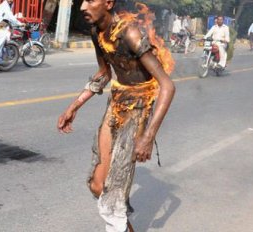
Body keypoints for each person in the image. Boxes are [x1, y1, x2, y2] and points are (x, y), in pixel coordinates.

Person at [57, 0, 175, 231]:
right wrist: (74, 106)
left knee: (113, 195)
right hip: (117, 103)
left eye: (90, 0)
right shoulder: (96, 32)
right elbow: (104, 73)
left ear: (108, 3)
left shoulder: (130, 33)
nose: (82, 6)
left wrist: (148, 137)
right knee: (98, 185)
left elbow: (167, 86)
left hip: (138, 110)